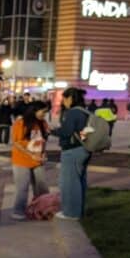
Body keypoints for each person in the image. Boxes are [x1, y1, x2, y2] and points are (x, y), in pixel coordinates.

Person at [50, 87, 91, 220]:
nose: (63, 101)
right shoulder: (85, 112)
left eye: (65, 98)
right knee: (79, 181)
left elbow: (66, 132)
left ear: (71, 98)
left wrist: (51, 130)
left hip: (72, 150)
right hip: (84, 149)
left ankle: (71, 213)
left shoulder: (73, 113)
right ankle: (79, 210)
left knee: (69, 183)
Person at [10, 101, 51, 220]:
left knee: (41, 186)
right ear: (34, 110)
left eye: (46, 112)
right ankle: (18, 211)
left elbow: (44, 140)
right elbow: (17, 142)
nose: (44, 114)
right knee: (22, 187)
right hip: (22, 160)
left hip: (38, 160)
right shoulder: (21, 123)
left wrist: (43, 153)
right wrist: (31, 154)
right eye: (43, 112)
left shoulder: (43, 123)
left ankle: (43, 209)